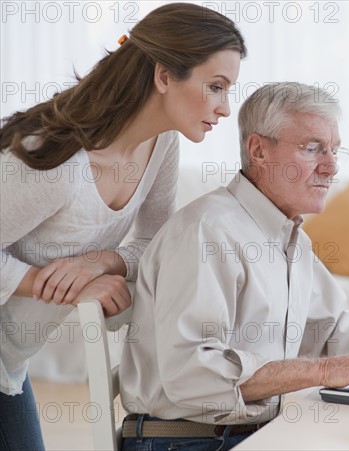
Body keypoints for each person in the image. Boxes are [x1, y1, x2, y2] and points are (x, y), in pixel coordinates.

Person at [119, 82, 349, 451]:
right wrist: (323, 371)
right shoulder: (206, 233)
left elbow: (328, 331)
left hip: (249, 432)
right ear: (258, 150)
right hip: (187, 442)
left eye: (334, 150)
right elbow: (192, 374)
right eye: (312, 148)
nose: (331, 166)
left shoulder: (291, 238)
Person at [0, 3, 246, 449]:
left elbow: (155, 241)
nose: (225, 109)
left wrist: (103, 261)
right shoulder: (57, 161)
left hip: (8, 361)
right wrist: (56, 284)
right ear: (164, 76)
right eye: (215, 87)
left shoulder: (162, 145)